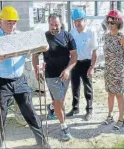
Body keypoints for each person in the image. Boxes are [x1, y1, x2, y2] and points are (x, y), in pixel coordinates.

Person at [0, 6, 50, 148]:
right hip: (0, 81)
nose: (12, 26)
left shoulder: (20, 37)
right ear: (0, 21)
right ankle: (0, 145)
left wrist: (43, 48)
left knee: (30, 112)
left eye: (14, 23)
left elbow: (37, 49)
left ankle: (43, 143)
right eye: (8, 23)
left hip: (19, 80)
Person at [32, 13, 77, 141]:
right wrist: (37, 69)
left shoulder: (68, 36)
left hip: (65, 74)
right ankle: (64, 128)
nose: (54, 27)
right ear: (48, 24)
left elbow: (74, 55)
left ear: (61, 24)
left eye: (56, 25)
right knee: (59, 102)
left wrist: (68, 70)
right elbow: (35, 56)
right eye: (51, 25)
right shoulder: (44, 37)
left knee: (60, 100)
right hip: (51, 75)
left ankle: (51, 107)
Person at [102, 10, 124, 130]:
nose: (110, 25)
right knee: (110, 94)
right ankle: (110, 116)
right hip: (109, 70)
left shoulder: (122, 37)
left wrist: (120, 67)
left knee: (119, 95)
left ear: (118, 23)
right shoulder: (106, 36)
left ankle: (121, 119)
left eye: (112, 22)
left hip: (119, 72)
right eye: (108, 22)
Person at [66, 8, 98, 121]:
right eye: (75, 21)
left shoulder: (91, 32)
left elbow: (94, 51)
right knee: (75, 87)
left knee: (87, 87)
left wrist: (92, 67)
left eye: (80, 20)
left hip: (87, 63)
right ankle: (75, 108)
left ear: (85, 20)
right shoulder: (71, 32)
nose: (77, 23)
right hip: (75, 63)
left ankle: (89, 110)